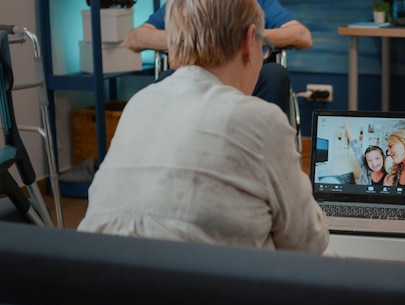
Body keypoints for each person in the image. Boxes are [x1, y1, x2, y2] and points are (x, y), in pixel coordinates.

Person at [77, 0, 329, 254]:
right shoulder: (263, 120)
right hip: (196, 285)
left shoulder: (137, 104)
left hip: (97, 277)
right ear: (249, 41)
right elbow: (308, 243)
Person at [124, 0, 312, 115]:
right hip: (196, 74)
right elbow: (135, 38)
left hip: (244, 72)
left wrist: (245, 37)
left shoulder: (257, 2)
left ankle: (265, 140)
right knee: (168, 79)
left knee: (274, 74)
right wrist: (190, 38)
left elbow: (302, 35)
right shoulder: (186, 4)